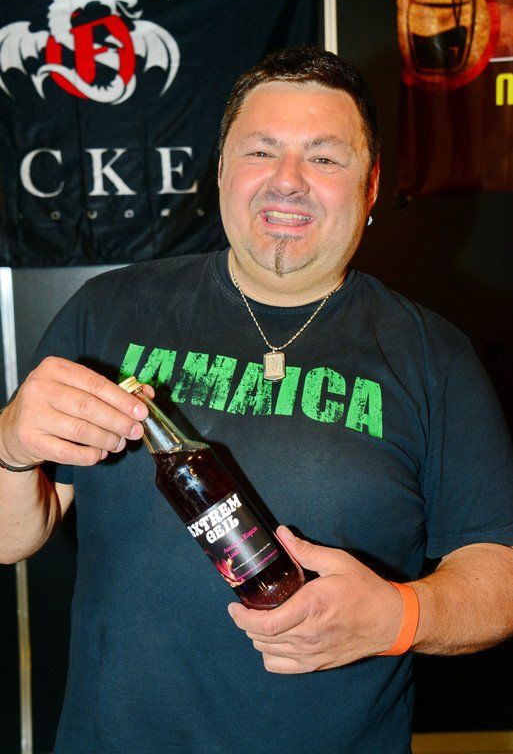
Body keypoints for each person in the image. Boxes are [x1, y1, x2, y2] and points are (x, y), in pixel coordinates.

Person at [1, 46, 513, 754]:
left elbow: (499, 576)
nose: (287, 181)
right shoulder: (108, 313)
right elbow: (11, 538)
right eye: (260, 151)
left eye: (324, 158)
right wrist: (9, 445)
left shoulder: (435, 357)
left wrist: (399, 616)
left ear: (369, 189)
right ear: (221, 173)